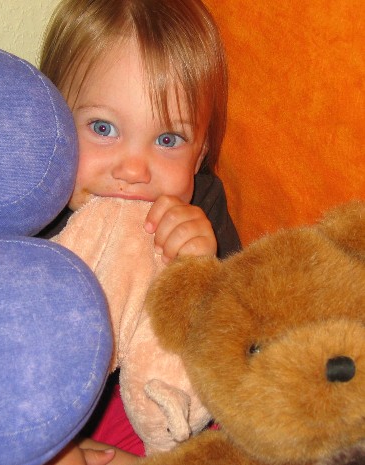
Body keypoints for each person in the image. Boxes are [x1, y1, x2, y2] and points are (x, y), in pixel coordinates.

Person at [39, 0, 241, 463]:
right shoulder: (33, 212)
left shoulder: (201, 207)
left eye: (168, 140)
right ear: (51, 122)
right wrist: (53, 445)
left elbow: (238, 345)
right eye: (103, 127)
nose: (133, 170)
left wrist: (201, 268)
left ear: (200, 152)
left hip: (160, 414)